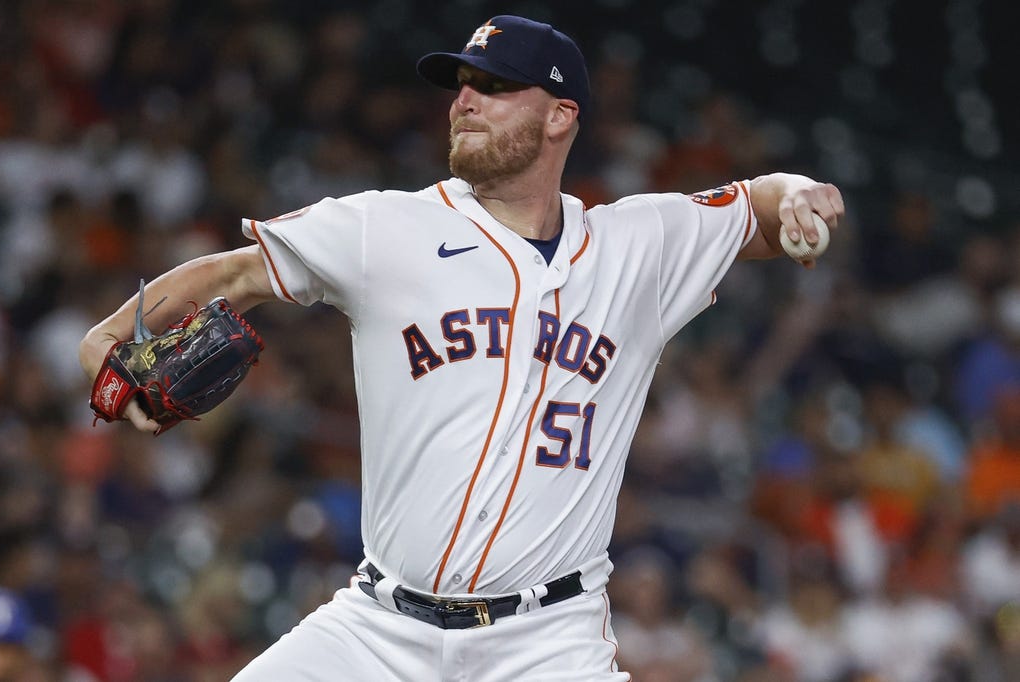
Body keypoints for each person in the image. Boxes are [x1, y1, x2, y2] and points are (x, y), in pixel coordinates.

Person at [79, 14, 844, 680]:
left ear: (559, 116)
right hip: (379, 630)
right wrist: (110, 333)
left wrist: (804, 194)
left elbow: (758, 206)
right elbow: (237, 274)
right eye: (461, 83)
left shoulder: (636, 245)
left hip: (547, 642)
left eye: (495, 85)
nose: (465, 100)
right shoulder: (386, 228)